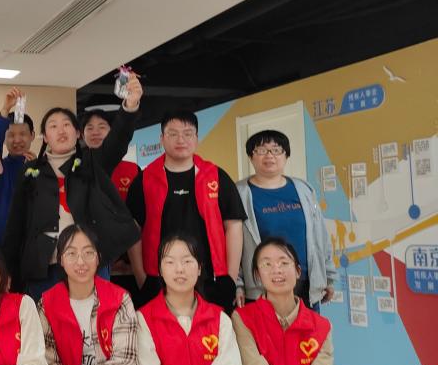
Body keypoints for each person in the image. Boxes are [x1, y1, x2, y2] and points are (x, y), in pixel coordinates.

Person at [2, 106, 141, 300]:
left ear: (77, 133)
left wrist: (129, 107)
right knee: (46, 318)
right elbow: (16, 224)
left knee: (94, 317)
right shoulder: (30, 172)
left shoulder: (92, 163)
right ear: (45, 137)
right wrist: (7, 269)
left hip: (89, 263)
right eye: (53, 126)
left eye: (67, 125)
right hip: (44, 267)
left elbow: (118, 140)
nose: (61, 130)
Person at [126, 110, 247, 312]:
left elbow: (234, 225)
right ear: (162, 139)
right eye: (173, 134)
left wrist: (230, 278)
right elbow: (133, 229)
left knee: (214, 332)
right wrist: (141, 277)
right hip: (158, 281)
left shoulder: (216, 176)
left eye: (187, 133)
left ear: (196, 138)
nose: (180, 139)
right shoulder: (145, 180)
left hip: (212, 280)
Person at [38, 225, 144, 365]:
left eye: (88, 253)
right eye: (71, 253)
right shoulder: (47, 304)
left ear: (98, 258)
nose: (81, 261)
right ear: (61, 260)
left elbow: (126, 363)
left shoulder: (119, 299)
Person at [136, 233, 246, 365]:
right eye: (170, 262)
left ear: (200, 267)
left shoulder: (219, 319)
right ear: (160, 269)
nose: (180, 269)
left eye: (187, 261)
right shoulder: (144, 319)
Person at [231, 239, 338, 365]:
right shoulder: (243, 320)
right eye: (267, 264)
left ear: (297, 271)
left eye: (284, 262)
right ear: (257, 275)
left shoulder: (321, 327)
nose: (277, 270)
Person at [236, 131, 336, 310]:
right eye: (261, 150)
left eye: (276, 150)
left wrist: (327, 276)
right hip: (262, 286)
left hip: (305, 283)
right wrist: (237, 283)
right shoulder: (239, 193)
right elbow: (230, 244)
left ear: (286, 156)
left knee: (308, 329)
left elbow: (320, 235)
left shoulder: (304, 189)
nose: (269, 156)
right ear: (251, 156)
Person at [0, 87, 35, 246]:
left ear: (32, 135)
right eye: (10, 135)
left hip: (29, 243)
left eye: (22, 134)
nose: (17, 140)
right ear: (4, 139)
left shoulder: (43, 167)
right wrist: (5, 109)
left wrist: (37, 169)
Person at [80, 109, 140, 203]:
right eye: (90, 128)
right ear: (83, 136)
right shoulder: (74, 167)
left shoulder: (133, 169)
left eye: (102, 127)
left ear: (112, 132)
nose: (95, 132)